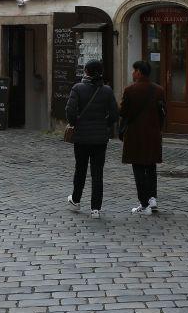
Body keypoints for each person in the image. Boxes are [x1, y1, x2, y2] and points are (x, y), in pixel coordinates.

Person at [65, 59, 118, 218]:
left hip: (81, 137)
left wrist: (75, 123)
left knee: (80, 169)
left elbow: (70, 111)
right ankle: (96, 208)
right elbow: (114, 114)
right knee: (97, 173)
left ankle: (76, 200)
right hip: (100, 139)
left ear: (86, 71)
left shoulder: (78, 88)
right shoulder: (107, 90)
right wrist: (104, 124)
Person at [120, 59, 166, 215]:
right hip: (153, 134)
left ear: (139, 72)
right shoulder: (159, 90)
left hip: (135, 134)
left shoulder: (130, 90)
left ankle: (144, 203)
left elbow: (123, 112)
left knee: (138, 168)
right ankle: (152, 199)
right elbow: (163, 113)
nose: (132, 73)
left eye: (134, 70)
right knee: (151, 166)